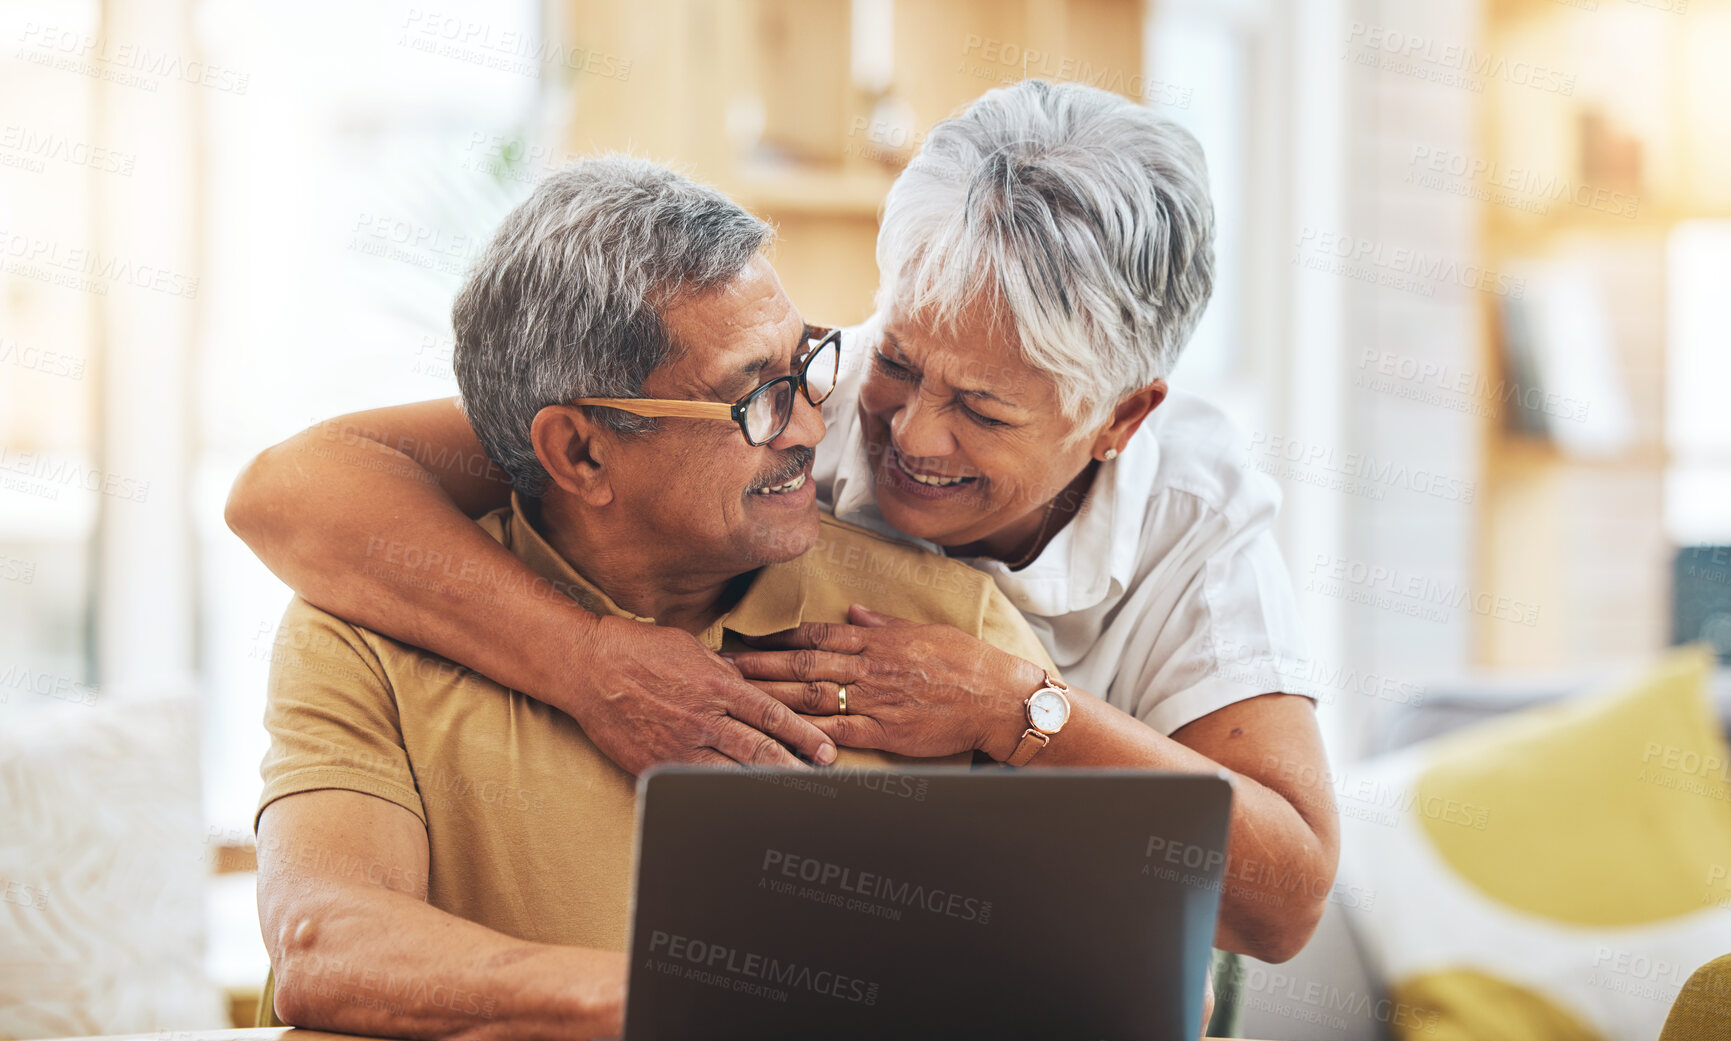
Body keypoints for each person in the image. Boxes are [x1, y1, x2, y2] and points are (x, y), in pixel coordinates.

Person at [230, 81, 1337, 966]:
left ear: (1119, 419)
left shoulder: (1186, 514)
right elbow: (301, 489)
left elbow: (1279, 905)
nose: (906, 433)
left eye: (986, 409)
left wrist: (1018, 712)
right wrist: (592, 662)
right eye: (897, 361)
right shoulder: (795, 380)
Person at [249, 156, 1058, 1041]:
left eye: (805, 368)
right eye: (754, 397)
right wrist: (676, 1000)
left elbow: (1106, 972)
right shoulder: (365, 630)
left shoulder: (954, 630)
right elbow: (327, 943)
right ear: (582, 454)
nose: (810, 430)